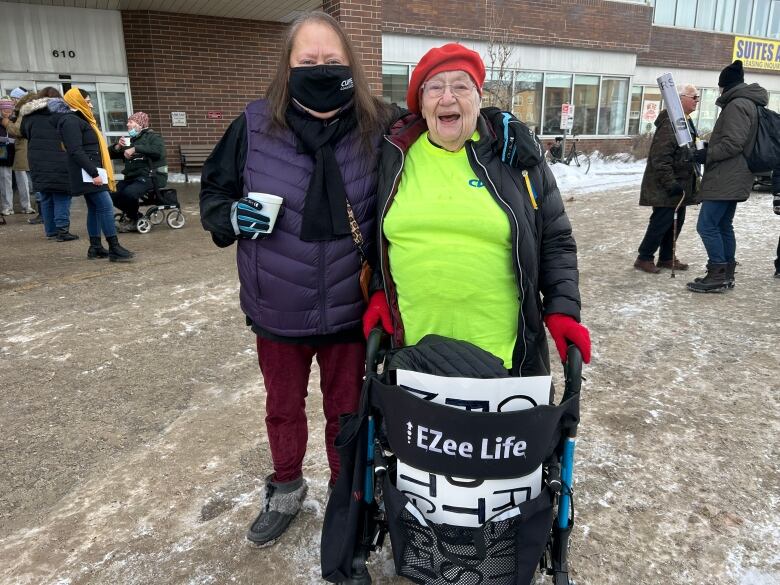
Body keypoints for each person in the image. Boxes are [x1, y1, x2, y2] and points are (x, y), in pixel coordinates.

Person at [200, 13, 528, 547]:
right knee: (282, 408)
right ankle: (285, 487)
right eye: (308, 61)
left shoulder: (381, 123)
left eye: (333, 61)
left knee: (345, 414)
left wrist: (502, 124)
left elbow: (446, 113)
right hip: (277, 306)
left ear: (351, 63)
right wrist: (230, 216)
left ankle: (344, 496)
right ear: (287, 66)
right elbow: (212, 195)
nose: (321, 70)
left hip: (352, 307)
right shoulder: (254, 124)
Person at [362, 43, 591, 388]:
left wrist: (562, 311)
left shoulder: (515, 158)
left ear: (479, 96)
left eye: (461, 86)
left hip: (502, 359)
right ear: (421, 103)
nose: (448, 98)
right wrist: (379, 291)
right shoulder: (394, 157)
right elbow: (377, 237)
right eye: (435, 87)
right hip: (411, 356)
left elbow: (556, 239)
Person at [687, 60, 768, 293]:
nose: (718, 90)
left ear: (726, 85)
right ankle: (726, 273)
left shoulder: (737, 105)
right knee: (723, 225)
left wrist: (706, 154)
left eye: (720, 85)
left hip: (727, 176)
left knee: (707, 225)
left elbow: (733, 143)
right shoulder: (747, 103)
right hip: (735, 175)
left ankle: (718, 273)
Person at [60, 88, 134, 261]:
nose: (91, 105)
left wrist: (115, 147)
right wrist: (93, 173)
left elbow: (92, 149)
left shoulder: (82, 120)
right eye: (87, 101)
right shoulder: (70, 121)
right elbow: (76, 150)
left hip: (91, 172)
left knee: (95, 209)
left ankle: (95, 248)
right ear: (77, 101)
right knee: (106, 206)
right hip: (88, 173)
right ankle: (114, 247)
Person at [634, 84, 700, 274]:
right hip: (667, 185)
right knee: (661, 222)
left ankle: (666, 257)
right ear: (680, 99)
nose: (697, 101)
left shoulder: (684, 121)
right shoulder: (670, 123)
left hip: (681, 183)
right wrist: (670, 183)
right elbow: (660, 157)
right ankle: (644, 257)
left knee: (676, 221)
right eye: (694, 97)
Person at [20, 87, 75, 240]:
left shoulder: (29, 115)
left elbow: (23, 133)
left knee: (46, 197)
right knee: (62, 195)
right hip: (60, 161)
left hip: (37, 161)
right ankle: (63, 231)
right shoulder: (62, 113)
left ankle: (51, 232)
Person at [109, 111, 168, 232]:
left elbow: (158, 152)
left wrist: (136, 148)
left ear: (140, 124)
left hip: (151, 175)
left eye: (131, 122)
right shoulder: (130, 139)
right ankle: (135, 216)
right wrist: (117, 147)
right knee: (112, 194)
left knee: (129, 194)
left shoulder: (154, 137)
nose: (127, 124)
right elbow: (110, 154)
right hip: (132, 176)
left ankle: (134, 219)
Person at [0, 89, 35, 216]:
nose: (7, 112)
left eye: (9, 110)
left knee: (23, 179)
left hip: (17, 152)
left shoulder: (16, 118)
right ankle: (7, 207)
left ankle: (27, 206)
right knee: (5, 180)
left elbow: (18, 131)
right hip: (3, 152)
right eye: (4, 110)